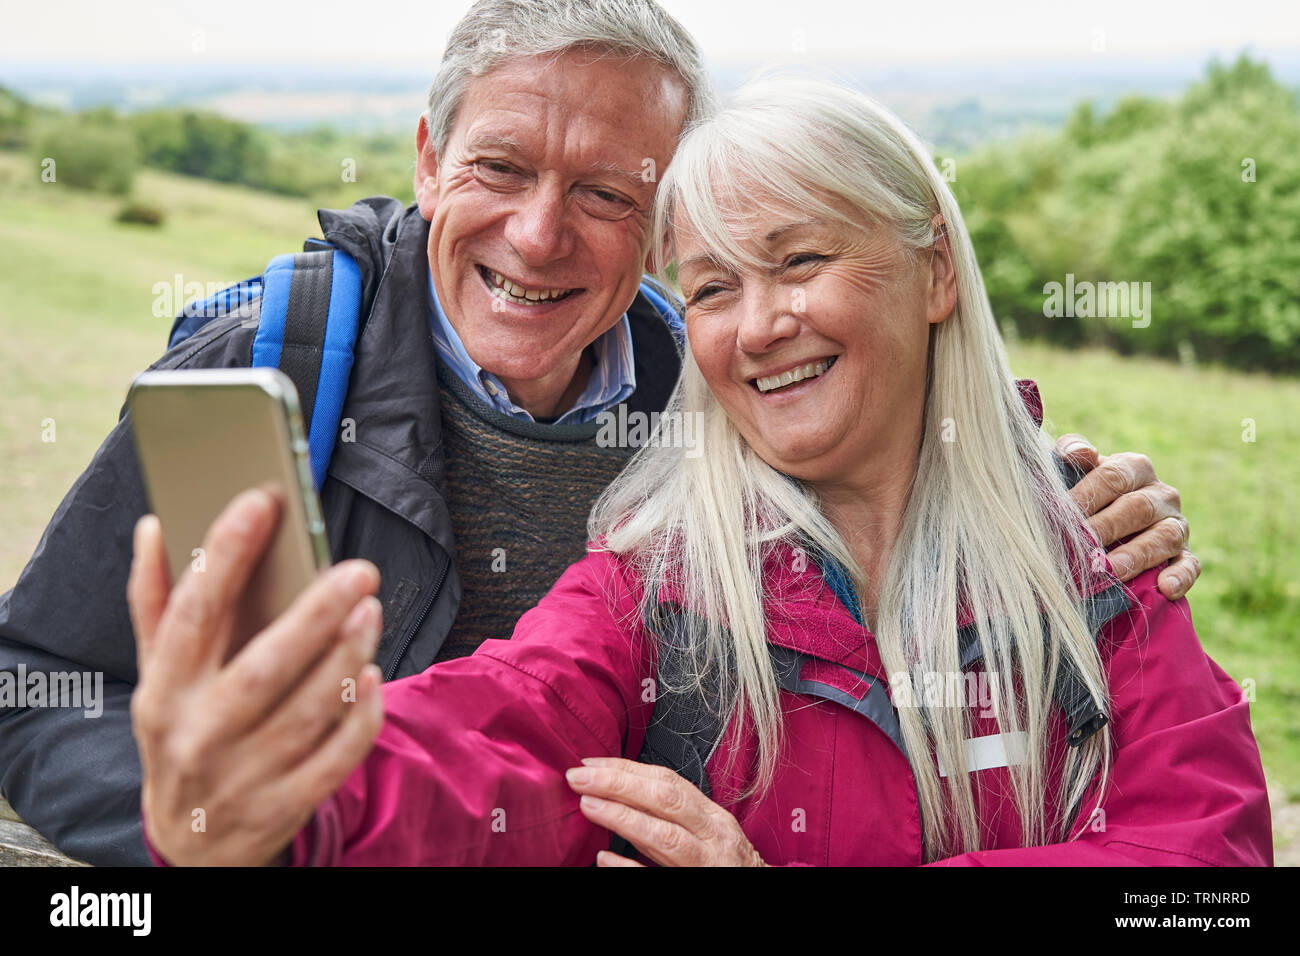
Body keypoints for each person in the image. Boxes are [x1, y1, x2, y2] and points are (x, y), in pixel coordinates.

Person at [3, 0, 1197, 866]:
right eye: (500, 167)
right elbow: (501, 729)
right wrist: (237, 807)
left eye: (606, 195)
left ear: (661, 219)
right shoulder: (275, 361)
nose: (534, 235)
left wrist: (1041, 486)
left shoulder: (711, 400)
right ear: (427, 163)